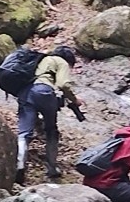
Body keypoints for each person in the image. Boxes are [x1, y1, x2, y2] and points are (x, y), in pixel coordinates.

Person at [17, 44, 84, 184]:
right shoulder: (60, 61)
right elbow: (63, 84)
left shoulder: (39, 60)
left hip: (25, 93)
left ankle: (19, 164)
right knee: (51, 130)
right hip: (43, 92)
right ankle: (52, 168)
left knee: (24, 133)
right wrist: (75, 99)